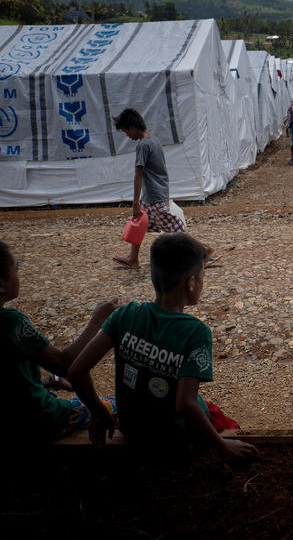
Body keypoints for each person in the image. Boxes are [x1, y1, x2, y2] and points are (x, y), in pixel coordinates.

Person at [68, 233, 257, 459]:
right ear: (190, 283)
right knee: (224, 422)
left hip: (133, 431)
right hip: (173, 438)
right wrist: (221, 445)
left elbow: (76, 371)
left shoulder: (125, 315)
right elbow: (186, 405)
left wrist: (99, 412)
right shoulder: (195, 332)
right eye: (202, 274)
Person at [0, 241, 116, 443]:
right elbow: (66, 363)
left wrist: (49, 382)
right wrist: (98, 318)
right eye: (16, 269)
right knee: (115, 406)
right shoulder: (11, 323)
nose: (18, 276)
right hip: (37, 421)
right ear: (1, 284)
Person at [112, 108, 213, 269]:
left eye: (126, 132)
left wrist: (135, 202)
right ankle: (133, 258)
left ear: (132, 127)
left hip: (154, 197)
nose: (128, 136)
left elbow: (138, 173)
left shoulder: (143, 146)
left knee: (175, 230)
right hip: (155, 194)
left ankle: (203, 251)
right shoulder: (154, 141)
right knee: (140, 224)